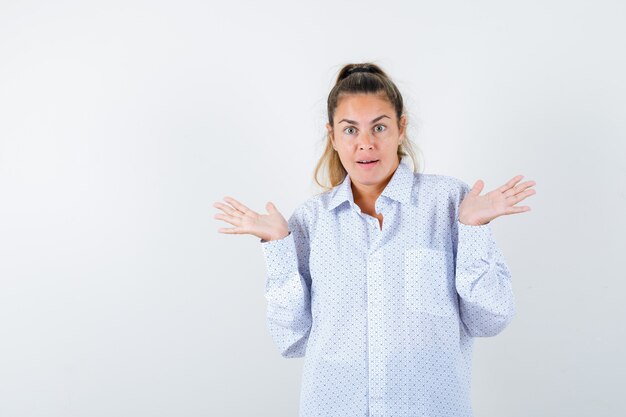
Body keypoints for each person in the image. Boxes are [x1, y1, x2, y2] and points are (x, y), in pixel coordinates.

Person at [213, 63, 536, 417]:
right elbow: (292, 340)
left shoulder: (451, 203)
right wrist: (278, 245)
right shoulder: (309, 221)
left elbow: (489, 321)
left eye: (379, 127)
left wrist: (473, 229)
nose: (365, 143)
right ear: (333, 137)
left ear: (401, 128)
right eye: (350, 129)